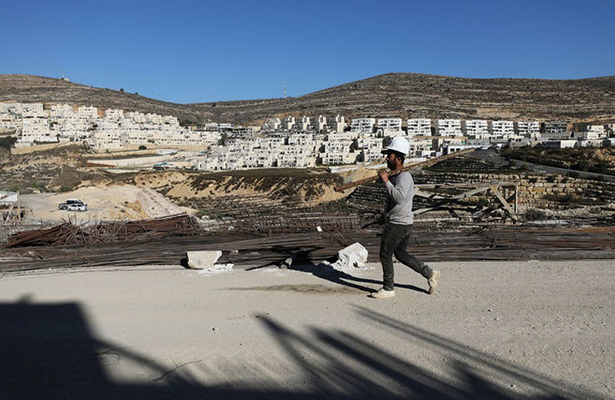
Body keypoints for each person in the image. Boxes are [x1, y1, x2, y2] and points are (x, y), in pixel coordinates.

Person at [370, 137, 440, 299]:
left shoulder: (404, 177)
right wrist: (384, 215)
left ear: (399, 159)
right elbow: (392, 200)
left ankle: (388, 288)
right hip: (400, 221)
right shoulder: (396, 176)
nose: (387, 158)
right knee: (401, 254)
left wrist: (386, 182)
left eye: (390, 155)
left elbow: (399, 197)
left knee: (385, 253)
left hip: (399, 223)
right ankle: (430, 273)